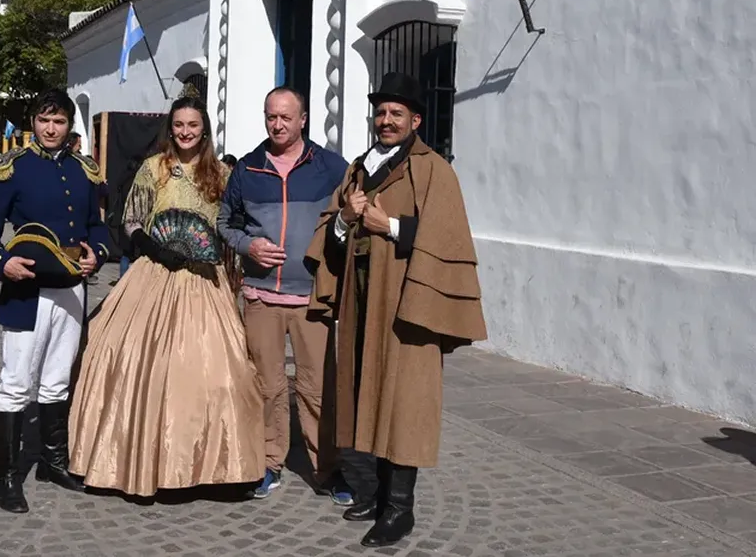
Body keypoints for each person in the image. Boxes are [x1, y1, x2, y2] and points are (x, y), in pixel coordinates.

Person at [306, 72, 487, 547]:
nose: (386, 121)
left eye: (396, 114)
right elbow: (333, 223)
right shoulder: (359, 167)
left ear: (416, 121)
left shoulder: (433, 170)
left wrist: (389, 225)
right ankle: (380, 494)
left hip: (409, 305)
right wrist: (346, 219)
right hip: (362, 299)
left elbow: (447, 237)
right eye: (381, 113)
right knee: (370, 392)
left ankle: (400, 509)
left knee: (404, 400)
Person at [69, 96, 262, 496]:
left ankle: (218, 466)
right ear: (170, 128)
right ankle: (138, 459)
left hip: (205, 280)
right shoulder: (153, 168)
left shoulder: (222, 173)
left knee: (220, 373)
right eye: (179, 125)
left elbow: (230, 226)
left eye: (193, 125)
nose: (186, 132)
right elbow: (132, 221)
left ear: (204, 128)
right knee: (130, 359)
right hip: (156, 274)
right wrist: (155, 248)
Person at [0, 89, 111, 514]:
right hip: (26, 289)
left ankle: (53, 462)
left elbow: (95, 227)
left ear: (70, 126)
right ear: (34, 122)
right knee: (16, 384)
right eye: (45, 120)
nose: (51, 129)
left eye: (60, 121)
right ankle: (8, 476)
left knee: (56, 381)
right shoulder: (10, 169)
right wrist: (2, 262)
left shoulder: (85, 171)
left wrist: (96, 255)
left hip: (71, 289)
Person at [217, 87, 352, 503]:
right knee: (268, 386)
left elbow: (351, 215)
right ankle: (268, 462)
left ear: (303, 119)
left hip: (313, 297)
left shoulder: (331, 167)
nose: (276, 125)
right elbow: (225, 222)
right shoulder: (248, 169)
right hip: (261, 296)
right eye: (270, 117)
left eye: (285, 118)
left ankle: (327, 469)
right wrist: (246, 246)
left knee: (317, 388)